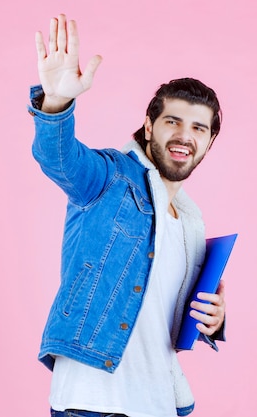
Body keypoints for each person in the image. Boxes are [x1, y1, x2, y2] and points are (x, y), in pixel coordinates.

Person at [28, 14, 226, 417]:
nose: (184, 136)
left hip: (159, 402)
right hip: (94, 402)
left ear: (208, 142)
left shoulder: (190, 222)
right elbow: (59, 158)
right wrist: (57, 103)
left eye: (198, 128)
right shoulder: (110, 177)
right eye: (172, 121)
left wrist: (216, 320)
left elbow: (166, 315)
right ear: (149, 127)